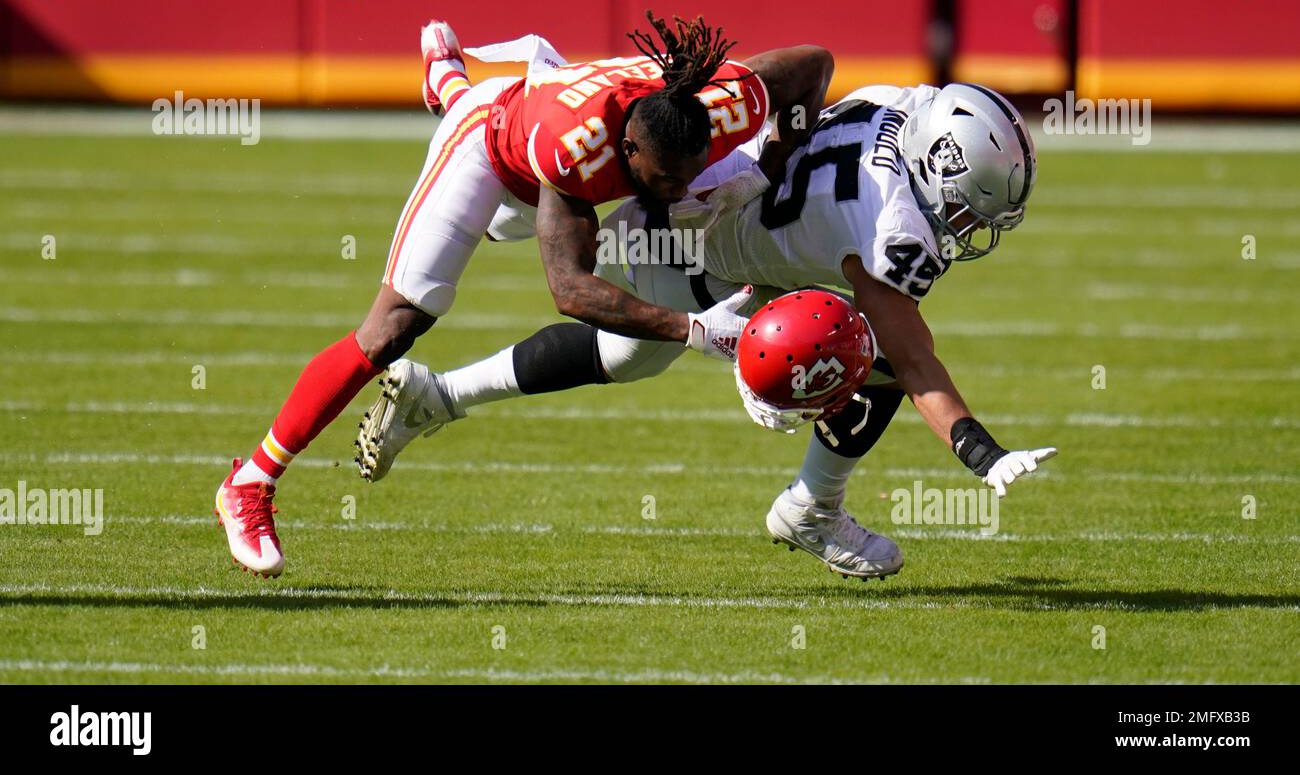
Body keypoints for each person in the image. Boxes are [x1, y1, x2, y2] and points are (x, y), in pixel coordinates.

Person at [215, 11, 835, 577]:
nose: (677, 190)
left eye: (691, 170)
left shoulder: (727, 102)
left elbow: (814, 63)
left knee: (684, 234)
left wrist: (772, 162)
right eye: (665, 178)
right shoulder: (578, 152)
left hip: (555, 111)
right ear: (629, 150)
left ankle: (447, 80)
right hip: (495, 150)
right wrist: (694, 330)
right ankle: (250, 482)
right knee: (400, 322)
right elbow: (569, 290)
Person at [356, 82, 1058, 579]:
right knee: (862, 352)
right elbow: (915, 359)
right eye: (968, 209)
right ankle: (813, 506)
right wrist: (979, 449)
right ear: (938, 168)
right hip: (704, 252)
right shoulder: (893, 230)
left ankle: (435, 394)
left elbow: (814, 70)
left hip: (709, 194)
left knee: (630, 354)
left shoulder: (901, 106)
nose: (968, 228)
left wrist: (771, 154)